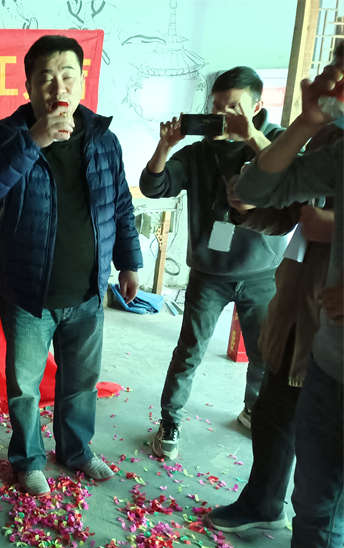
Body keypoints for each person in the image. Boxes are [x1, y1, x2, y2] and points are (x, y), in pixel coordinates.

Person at [0, 35, 143, 496]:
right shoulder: (6, 138)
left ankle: (76, 451)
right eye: (45, 78)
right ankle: (28, 460)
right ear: (28, 86)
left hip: (87, 290)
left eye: (66, 75)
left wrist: (129, 262)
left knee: (80, 382)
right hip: (28, 292)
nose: (57, 87)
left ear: (82, 81)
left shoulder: (103, 141)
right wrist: (33, 141)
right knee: (25, 387)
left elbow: (120, 205)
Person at [232, 61, 343, 548]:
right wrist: (306, 123)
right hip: (324, 344)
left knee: (327, 496)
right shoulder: (335, 145)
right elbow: (256, 187)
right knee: (314, 490)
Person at [139, 66, 287, 460]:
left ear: (257, 106)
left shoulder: (275, 141)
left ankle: (254, 411)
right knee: (189, 350)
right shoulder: (199, 153)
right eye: (217, 107)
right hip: (209, 273)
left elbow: (293, 177)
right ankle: (170, 421)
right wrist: (165, 147)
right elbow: (154, 186)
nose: (223, 116)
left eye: (234, 108)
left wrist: (250, 136)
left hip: (262, 271)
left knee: (264, 354)